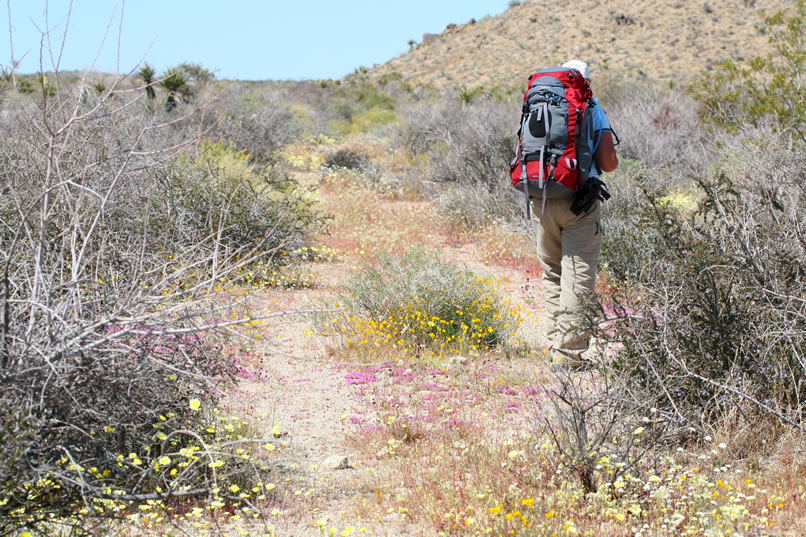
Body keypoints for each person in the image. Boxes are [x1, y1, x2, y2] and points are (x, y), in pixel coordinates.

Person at [537, 59, 618, 369]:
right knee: (578, 273)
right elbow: (608, 163)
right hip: (579, 199)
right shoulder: (590, 106)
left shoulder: (541, 99)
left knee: (553, 272)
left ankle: (554, 342)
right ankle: (569, 356)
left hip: (541, 196)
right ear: (585, 81)